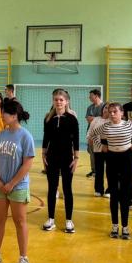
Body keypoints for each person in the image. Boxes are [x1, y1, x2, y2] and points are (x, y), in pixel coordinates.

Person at [0, 99, 35, 263]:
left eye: (4, 112)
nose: (1, 115)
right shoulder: (0, 135)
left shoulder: (25, 136)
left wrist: (12, 183)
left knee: (20, 222)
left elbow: (27, 164)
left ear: (14, 116)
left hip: (18, 187)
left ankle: (23, 258)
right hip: (0, 185)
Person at [88, 102, 132, 240]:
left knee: (125, 195)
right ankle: (115, 226)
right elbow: (93, 134)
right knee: (114, 193)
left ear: (122, 113)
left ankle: (125, 227)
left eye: (115, 111)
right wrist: (101, 146)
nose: (112, 114)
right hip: (111, 159)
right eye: (110, 111)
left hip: (126, 159)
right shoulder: (105, 126)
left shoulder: (129, 124)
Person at [41, 89, 80, 233]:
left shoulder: (72, 119)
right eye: (56, 99)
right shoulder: (48, 118)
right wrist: (43, 155)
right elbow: (46, 138)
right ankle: (51, 219)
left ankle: (69, 220)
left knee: (67, 188)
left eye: (61, 100)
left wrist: (76, 158)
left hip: (67, 158)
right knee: (52, 188)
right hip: (51, 157)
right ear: (53, 101)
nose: (58, 102)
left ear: (66, 101)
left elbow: (76, 140)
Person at [87, 104, 110, 197]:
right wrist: (90, 140)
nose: (106, 109)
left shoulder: (112, 120)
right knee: (99, 169)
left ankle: (109, 190)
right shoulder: (96, 120)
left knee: (110, 170)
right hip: (97, 146)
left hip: (110, 147)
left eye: (109, 108)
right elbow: (90, 133)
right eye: (105, 107)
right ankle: (98, 189)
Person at [85, 89, 105, 178]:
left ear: (96, 96)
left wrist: (94, 119)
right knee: (91, 152)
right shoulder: (90, 107)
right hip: (91, 133)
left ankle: (101, 170)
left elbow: (104, 119)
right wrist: (97, 118)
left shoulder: (104, 106)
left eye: (91, 96)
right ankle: (94, 171)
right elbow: (88, 119)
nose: (89, 97)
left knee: (101, 153)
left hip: (102, 134)